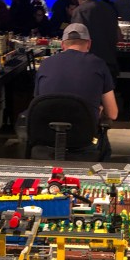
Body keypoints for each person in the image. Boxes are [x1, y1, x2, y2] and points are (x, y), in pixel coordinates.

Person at [33, 23, 118, 159]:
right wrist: (98, 110)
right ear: (89, 44)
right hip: (84, 141)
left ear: (62, 45)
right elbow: (113, 114)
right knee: (105, 146)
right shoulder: (99, 65)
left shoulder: (45, 64)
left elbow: (39, 102)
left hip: (47, 139)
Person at [67, 0, 120, 80]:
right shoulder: (108, 8)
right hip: (110, 69)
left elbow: (76, 46)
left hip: (90, 71)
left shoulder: (80, 12)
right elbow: (119, 36)